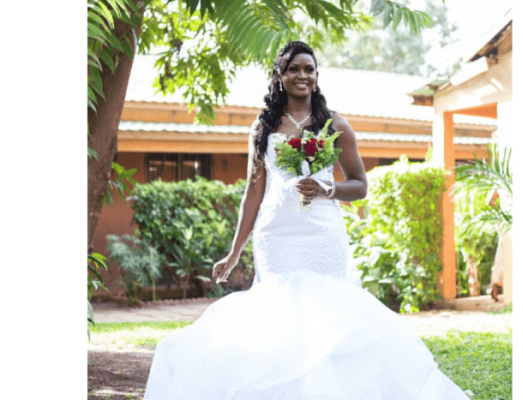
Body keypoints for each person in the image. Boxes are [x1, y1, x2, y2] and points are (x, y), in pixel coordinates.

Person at [144, 41, 469, 400]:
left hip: (322, 236)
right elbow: (253, 192)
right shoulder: (262, 127)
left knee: (327, 314)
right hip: (276, 236)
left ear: (317, 77)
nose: (302, 75)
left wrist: (327, 189)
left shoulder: (335, 124)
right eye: (294, 69)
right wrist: (235, 251)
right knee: (279, 317)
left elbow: (360, 185)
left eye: (309, 69)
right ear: (280, 75)